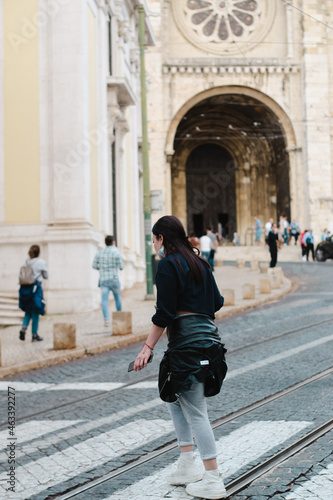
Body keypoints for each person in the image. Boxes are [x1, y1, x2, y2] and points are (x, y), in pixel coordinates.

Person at [133, 215, 227, 499]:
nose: (154, 245)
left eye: (154, 239)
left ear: (162, 238)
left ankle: (213, 478)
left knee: (196, 411)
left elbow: (164, 313)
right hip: (207, 342)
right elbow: (218, 302)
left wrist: (147, 347)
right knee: (173, 396)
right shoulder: (200, 263)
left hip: (186, 344)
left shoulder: (168, 265)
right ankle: (187, 463)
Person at [92, 235, 124, 327]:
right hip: (114, 279)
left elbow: (94, 265)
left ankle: (106, 320)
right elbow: (121, 267)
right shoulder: (116, 253)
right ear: (113, 242)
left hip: (103, 280)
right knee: (118, 299)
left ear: (105, 242)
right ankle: (119, 317)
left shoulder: (99, 253)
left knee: (104, 301)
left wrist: (101, 268)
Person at [19, 245, 48, 342]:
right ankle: (34, 334)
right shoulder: (41, 262)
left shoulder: (26, 261)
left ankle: (23, 327)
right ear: (39, 252)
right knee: (36, 312)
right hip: (36, 289)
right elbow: (46, 276)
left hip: (25, 289)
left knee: (28, 311)